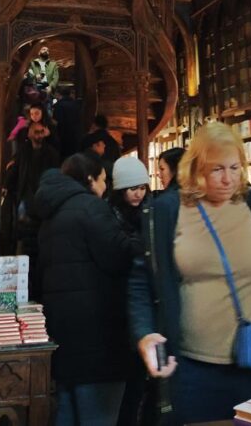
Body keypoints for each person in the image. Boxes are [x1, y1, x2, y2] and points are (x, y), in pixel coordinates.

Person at [129, 122, 251, 424]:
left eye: (235, 168)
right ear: (195, 169)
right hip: (193, 368)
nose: (228, 179)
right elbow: (142, 281)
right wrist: (145, 334)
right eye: (216, 169)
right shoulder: (168, 211)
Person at [35, 153, 141, 426]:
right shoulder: (90, 207)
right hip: (98, 335)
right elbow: (118, 257)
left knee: (68, 411)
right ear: (91, 179)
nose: (105, 188)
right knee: (100, 414)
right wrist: (142, 239)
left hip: (64, 330)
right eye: (104, 180)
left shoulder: (51, 212)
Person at [108, 156, 150, 426]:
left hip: (141, 304)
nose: (138, 193)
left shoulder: (150, 214)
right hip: (118, 304)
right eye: (132, 187)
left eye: (142, 187)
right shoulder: (109, 216)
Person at [1, 121, 60, 260]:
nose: (39, 135)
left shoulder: (51, 152)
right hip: (25, 195)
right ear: (29, 133)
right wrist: (6, 185)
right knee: (23, 231)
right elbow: (15, 170)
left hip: (43, 196)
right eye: (36, 132)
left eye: (41, 132)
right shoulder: (23, 151)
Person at [53, 87, 82, 159]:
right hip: (76, 136)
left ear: (58, 94)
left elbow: (56, 122)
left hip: (63, 138)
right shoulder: (76, 104)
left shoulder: (59, 105)